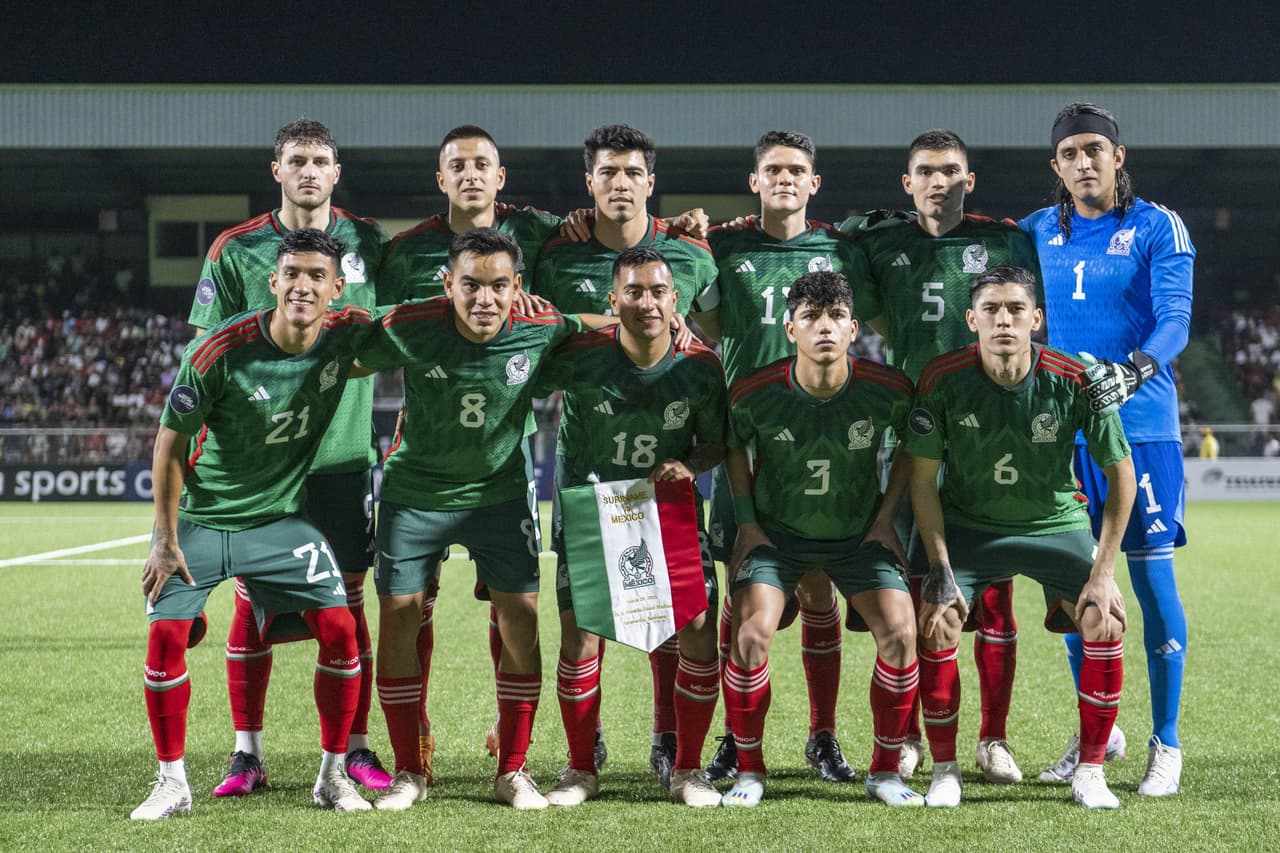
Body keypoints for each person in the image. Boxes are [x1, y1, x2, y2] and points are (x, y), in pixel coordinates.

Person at [132, 229, 379, 819]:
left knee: (342, 629)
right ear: (273, 282)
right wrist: (164, 541)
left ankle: (333, 776)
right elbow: (168, 446)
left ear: (336, 289)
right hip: (203, 518)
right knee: (166, 638)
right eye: (291, 273)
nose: (302, 285)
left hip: (278, 522)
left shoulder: (346, 336)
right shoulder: (218, 351)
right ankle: (172, 781)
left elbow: (423, 328)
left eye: (317, 275)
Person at [356, 228, 601, 811]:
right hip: (414, 495)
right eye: (470, 285)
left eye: (498, 286)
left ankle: (512, 771)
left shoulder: (541, 325)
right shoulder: (410, 322)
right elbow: (345, 344)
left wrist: (668, 325)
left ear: (518, 288)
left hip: (501, 496)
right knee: (399, 620)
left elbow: (600, 325)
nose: (484, 299)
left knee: (520, 619)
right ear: (448, 284)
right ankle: (410, 772)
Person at [187, 118, 392, 796]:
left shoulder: (370, 243)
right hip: (262, 467)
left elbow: (390, 337)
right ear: (276, 170)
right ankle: (248, 753)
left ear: (338, 172)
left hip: (341, 458)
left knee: (349, 602)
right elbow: (204, 356)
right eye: (297, 159)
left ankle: (356, 748)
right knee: (253, 601)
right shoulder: (235, 249)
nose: (309, 169)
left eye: (321, 160)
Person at [847, 129, 1043, 784]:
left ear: (970, 179)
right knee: (912, 595)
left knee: (994, 600)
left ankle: (992, 738)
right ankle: (906, 738)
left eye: (951, 170)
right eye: (926, 171)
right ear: (908, 185)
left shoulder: (1006, 242)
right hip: (906, 437)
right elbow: (867, 312)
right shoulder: (882, 244)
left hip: (986, 439)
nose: (939, 180)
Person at [904, 265, 1135, 809]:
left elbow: (1121, 477)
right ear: (971, 320)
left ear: (1037, 318)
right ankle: (945, 771)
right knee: (936, 621)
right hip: (969, 527)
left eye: (1014, 309)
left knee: (1106, 616)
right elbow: (921, 482)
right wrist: (938, 570)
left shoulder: (1075, 378)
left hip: (1055, 525)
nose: (1003, 320)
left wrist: (1102, 574)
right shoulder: (942, 379)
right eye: (991, 310)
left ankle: (1092, 770)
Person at [533, 124, 718, 781]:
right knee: (581, 629)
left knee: (673, 626)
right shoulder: (556, 255)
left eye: (631, 172)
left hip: (664, 490)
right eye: (606, 173)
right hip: (588, 483)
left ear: (649, 181)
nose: (619, 183)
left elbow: (717, 325)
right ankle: (585, 755)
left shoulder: (691, 252)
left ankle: (670, 742)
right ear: (590, 183)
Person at [1021, 103, 1194, 796]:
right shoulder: (1033, 232)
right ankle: (1103, 732)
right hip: (1059, 432)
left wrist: (1135, 369)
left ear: (1118, 156)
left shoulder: (1158, 226)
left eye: (1096, 149)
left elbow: (1176, 317)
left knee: (1151, 583)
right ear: (1056, 166)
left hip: (1141, 426)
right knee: (1073, 587)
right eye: (1070, 152)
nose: (1084, 161)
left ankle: (1167, 740)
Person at [689, 130, 866, 784]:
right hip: (747, 441)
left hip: (822, 439)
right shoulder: (723, 246)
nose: (786, 178)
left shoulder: (839, 251)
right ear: (754, 180)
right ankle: (740, 736)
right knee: (744, 587)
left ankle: (822, 735)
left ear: (813, 183)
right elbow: (706, 326)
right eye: (774, 169)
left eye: (797, 169)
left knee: (818, 584)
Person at [720, 270, 923, 808]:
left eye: (835, 316)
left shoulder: (888, 389)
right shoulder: (754, 392)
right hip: (779, 540)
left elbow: (913, 445)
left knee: (902, 635)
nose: (824, 328)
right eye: (811, 317)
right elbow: (732, 446)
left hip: (857, 538)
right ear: (790, 328)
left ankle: (885, 773)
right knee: (750, 637)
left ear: (854, 327)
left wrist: (886, 516)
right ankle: (750, 769)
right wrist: (746, 521)